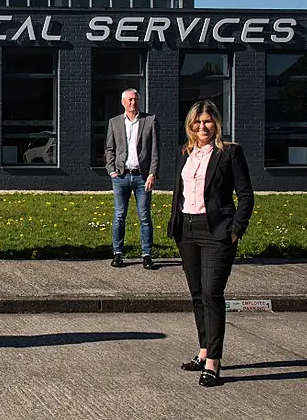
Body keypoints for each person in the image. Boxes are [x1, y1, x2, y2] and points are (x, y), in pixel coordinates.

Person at [168, 100, 253, 387]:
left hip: (217, 232)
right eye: (197, 122)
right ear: (190, 125)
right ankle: (203, 352)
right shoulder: (185, 153)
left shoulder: (229, 153)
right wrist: (176, 226)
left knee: (212, 293)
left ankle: (214, 363)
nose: (202, 127)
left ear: (216, 123)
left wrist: (235, 230)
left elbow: (246, 195)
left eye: (207, 121)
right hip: (188, 231)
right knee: (196, 294)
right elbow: (180, 193)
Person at [104, 88, 159, 269]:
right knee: (119, 215)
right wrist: (111, 170)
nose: (132, 103)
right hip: (121, 176)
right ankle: (118, 253)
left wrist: (152, 173)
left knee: (144, 216)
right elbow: (109, 148)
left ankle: (147, 255)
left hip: (142, 177)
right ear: (123, 102)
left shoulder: (149, 121)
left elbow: (155, 151)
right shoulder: (114, 122)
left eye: (135, 99)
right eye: (129, 100)